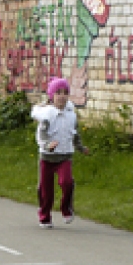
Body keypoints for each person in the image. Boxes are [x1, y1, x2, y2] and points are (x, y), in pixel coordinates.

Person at [31, 77, 89, 228]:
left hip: (64, 156)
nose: (62, 96)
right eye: (58, 93)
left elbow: (75, 134)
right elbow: (41, 135)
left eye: (65, 93)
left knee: (67, 182)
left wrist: (81, 148)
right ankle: (44, 216)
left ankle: (66, 208)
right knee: (46, 190)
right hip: (47, 158)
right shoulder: (47, 116)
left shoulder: (71, 115)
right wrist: (48, 145)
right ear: (52, 96)